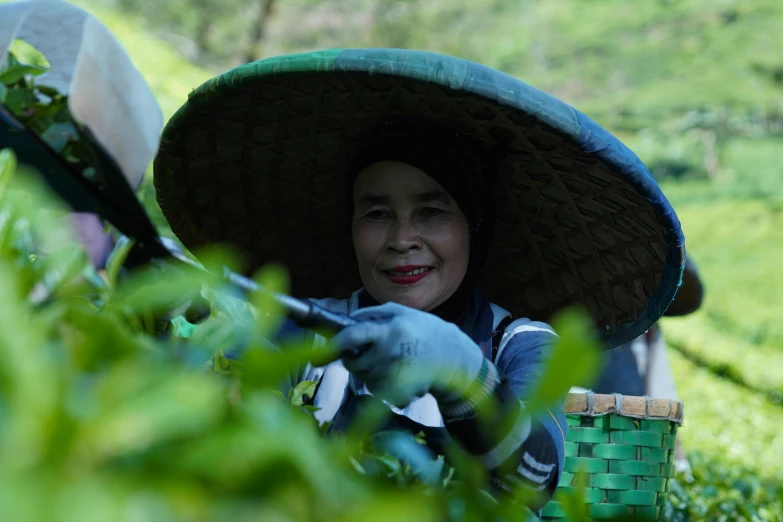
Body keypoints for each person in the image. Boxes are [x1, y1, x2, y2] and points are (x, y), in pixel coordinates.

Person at [151, 49, 685, 512]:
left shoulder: (517, 343)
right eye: (377, 213)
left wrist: (461, 371)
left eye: (432, 212)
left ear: (475, 226)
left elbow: (535, 476)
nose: (402, 238)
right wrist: (168, 311)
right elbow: (221, 395)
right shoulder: (311, 328)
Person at [583, 257, 704, 474]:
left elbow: (662, 396)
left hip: (623, 453)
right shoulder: (576, 320)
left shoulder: (649, 333)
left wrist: (679, 461)